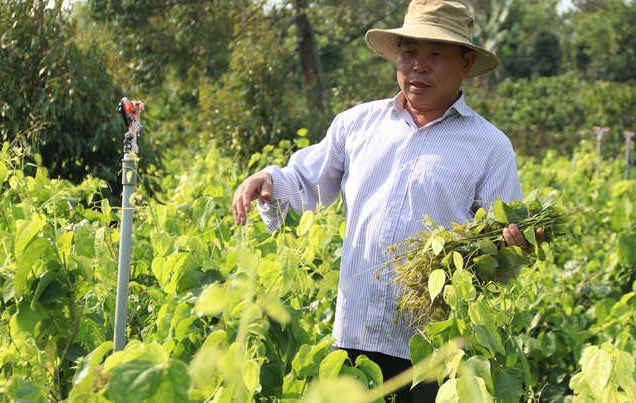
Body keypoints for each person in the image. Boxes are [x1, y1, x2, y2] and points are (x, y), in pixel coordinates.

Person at [232, 0, 543, 401]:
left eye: (435, 53)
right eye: (409, 51)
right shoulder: (357, 124)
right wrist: (266, 179)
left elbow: (500, 245)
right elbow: (307, 182)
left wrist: (508, 251)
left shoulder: (489, 146)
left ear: (466, 63)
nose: (419, 65)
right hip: (354, 333)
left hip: (432, 346)